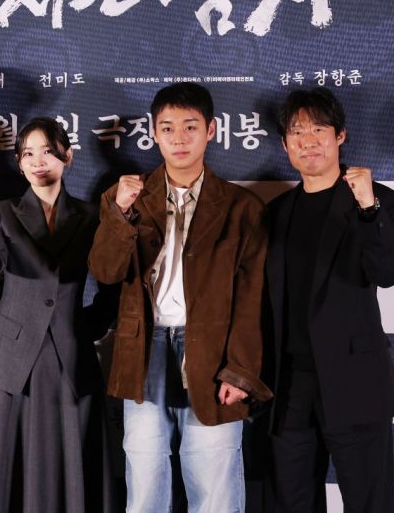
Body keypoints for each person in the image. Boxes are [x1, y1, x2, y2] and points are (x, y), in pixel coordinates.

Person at [88, 82, 272, 512]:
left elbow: (252, 299)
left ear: (211, 131)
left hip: (213, 351)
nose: (179, 138)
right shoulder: (126, 197)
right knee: (146, 478)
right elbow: (105, 270)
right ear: (153, 134)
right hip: (143, 347)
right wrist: (121, 214)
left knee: (215, 483)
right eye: (167, 128)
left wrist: (241, 370)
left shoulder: (242, 208)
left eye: (191, 126)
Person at [0, 118, 108, 513]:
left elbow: (112, 286)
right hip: (13, 360)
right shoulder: (2, 211)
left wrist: (82, 328)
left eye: (47, 151)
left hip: (71, 359)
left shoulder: (92, 216)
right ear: (19, 164)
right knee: (7, 464)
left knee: (73, 461)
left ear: (68, 156)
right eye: (28, 154)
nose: (38, 161)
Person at [265, 87, 394, 512]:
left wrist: (368, 209)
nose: (308, 141)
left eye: (319, 129)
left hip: (355, 381)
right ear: (285, 144)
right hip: (290, 388)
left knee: (369, 502)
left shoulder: (378, 199)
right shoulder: (276, 212)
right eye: (297, 132)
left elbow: (388, 272)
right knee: (293, 501)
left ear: (340, 136)